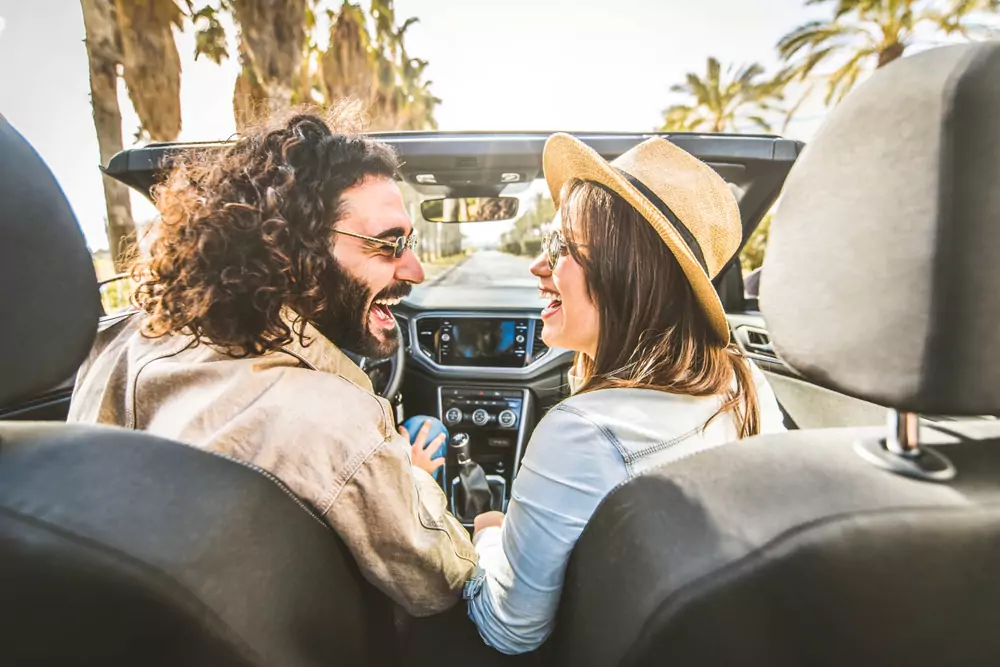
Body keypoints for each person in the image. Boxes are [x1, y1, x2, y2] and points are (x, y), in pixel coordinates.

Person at [68, 109, 474, 617]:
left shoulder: (118, 341)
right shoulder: (339, 425)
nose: (413, 270)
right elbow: (441, 584)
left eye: (408, 244)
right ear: (295, 247)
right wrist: (410, 475)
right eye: (389, 244)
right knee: (425, 429)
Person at [465, 133, 787, 654]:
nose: (537, 267)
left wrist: (486, 533)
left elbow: (510, 629)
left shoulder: (582, 432)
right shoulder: (744, 380)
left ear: (628, 273)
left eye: (560, 248)